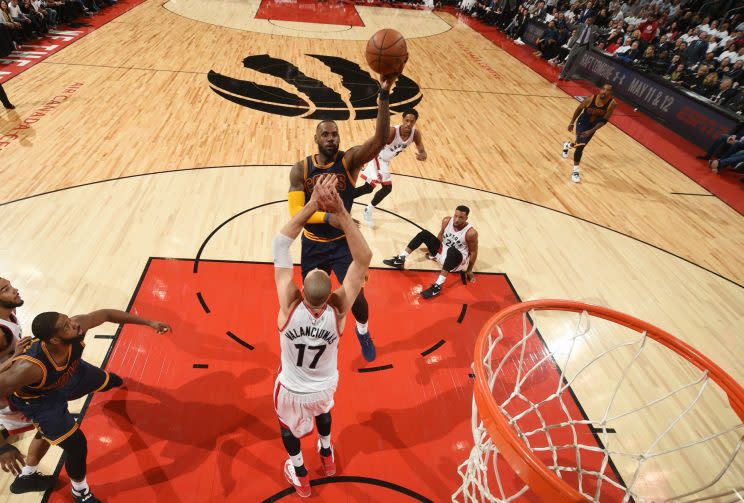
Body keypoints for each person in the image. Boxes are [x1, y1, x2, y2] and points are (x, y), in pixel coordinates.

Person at [0, 308, 171, 502]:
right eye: (66, 326)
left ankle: (28, 476)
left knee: (111, 381)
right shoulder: (29, 368)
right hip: (41, 402)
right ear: (54, 340)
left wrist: (149, 322)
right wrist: (1, 446)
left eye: (68, 320)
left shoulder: (77, 327)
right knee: (76, 444)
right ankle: (80, 491)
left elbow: (107, 314)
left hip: (71, 374)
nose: (73, 324)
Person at [287, 73, 398, 363]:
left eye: (335, 133)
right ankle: (310, 341)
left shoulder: (348, 162)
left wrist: (383, 96)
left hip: (342, 245)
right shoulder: (301, 170)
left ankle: (363, 331)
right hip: (312, 245)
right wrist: (328, 219)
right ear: (316, 138)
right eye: (325, 134)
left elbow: (380, 138)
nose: (331, 138)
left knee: (357, 298)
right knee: (312, 298)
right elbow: (296, 216)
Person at [273, 175, 371, 497]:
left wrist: (312, 204)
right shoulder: (339, 310)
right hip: (325, 385)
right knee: (324, 412)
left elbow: (280, 244)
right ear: (329, 292)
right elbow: (363, 259)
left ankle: (300, 472)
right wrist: (342, 213)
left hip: (292, 388)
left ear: (303, 289)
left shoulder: (288, 306)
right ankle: (326, 452)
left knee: (288, 428)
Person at [0, 278, 53, 494]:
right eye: (6, 289)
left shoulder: (8, 314)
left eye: (10, 285)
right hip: (7, 396)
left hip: (16, 387)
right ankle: (27, 477)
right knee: (52, 424)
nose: (15, 289)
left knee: (53, 423)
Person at [382, 205, 478, 299]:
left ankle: (437, 286)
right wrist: (433, 250)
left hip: (457, 261)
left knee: (452, 251)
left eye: (461, 217)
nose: (457, 219)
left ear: (466, 218)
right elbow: (440, 235)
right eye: (456, 216)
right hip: (444, 251)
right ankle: (401, 259)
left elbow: (473, 252)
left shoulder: (471, 233)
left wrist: (469, 270)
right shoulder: (447, 221)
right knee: (424, 233)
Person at [353, 109, 427, 228]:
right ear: (402, 120)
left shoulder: (415, 134)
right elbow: (375, 142)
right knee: (387, 187)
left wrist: (423, 154)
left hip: (385, 161)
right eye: (406, 120)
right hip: (377, 157)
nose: (408, 124)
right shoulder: (393, 131)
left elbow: (420, 147)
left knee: (368, 188)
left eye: (411, 121)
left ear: (415, 122)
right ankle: (368, 210)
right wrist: (363, 156)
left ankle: (344, 198)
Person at [562, 83, 616, 183]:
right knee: (581, 146)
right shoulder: (591, 99)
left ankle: (567, 145)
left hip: (592, 127)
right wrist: (572, 122)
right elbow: (579, 108)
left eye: (607, 90)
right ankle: (575, 172)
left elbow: (604, 121)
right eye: (603, 89)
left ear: (611, 93)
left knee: (580, 145)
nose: (604, 91)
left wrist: (591, 131)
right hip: (582, 123)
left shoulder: (612, 103)